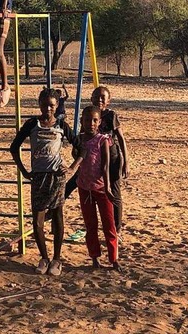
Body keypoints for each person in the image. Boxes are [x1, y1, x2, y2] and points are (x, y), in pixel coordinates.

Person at [10, 88, 82, 276]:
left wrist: (73, 168)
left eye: (51, 105)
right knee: (38, 219)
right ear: (39, 104)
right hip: (38, 177)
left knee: (57, 216)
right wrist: (24, 171)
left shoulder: (61, 125)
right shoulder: (32, 124)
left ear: (57, 106)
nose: (48, 108)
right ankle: (44, 258)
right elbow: (14, 147)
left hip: (57, 177)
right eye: (44, 104)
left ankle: (56, 260)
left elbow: (81, 148)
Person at [64, 86, 129, 234]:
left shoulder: (111, 116)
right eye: (96, 97)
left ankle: (116, 229)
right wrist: (76, 155)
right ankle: (53, 214)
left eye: (102, 98)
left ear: (108, 101)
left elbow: (121, 138)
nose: (99, 100)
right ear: (91, 98)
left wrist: (126, 162)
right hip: (90, 162)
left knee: (114, 193)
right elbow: (80, 139)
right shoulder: (89, 115)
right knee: (71, 185)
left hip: (111, 160)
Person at [76, 105, 120, 270]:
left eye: (94, 120)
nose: (91, 124)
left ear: (99, 122)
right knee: (90, 225)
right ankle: (95, 257)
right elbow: (76, 157)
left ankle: (114, 259)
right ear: (82, 121)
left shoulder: (103, 140)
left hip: (101, 188)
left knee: (109, 225)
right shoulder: (79, 139)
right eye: (87, 120)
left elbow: (105, 166)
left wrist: (108, 187)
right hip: (84, 188)